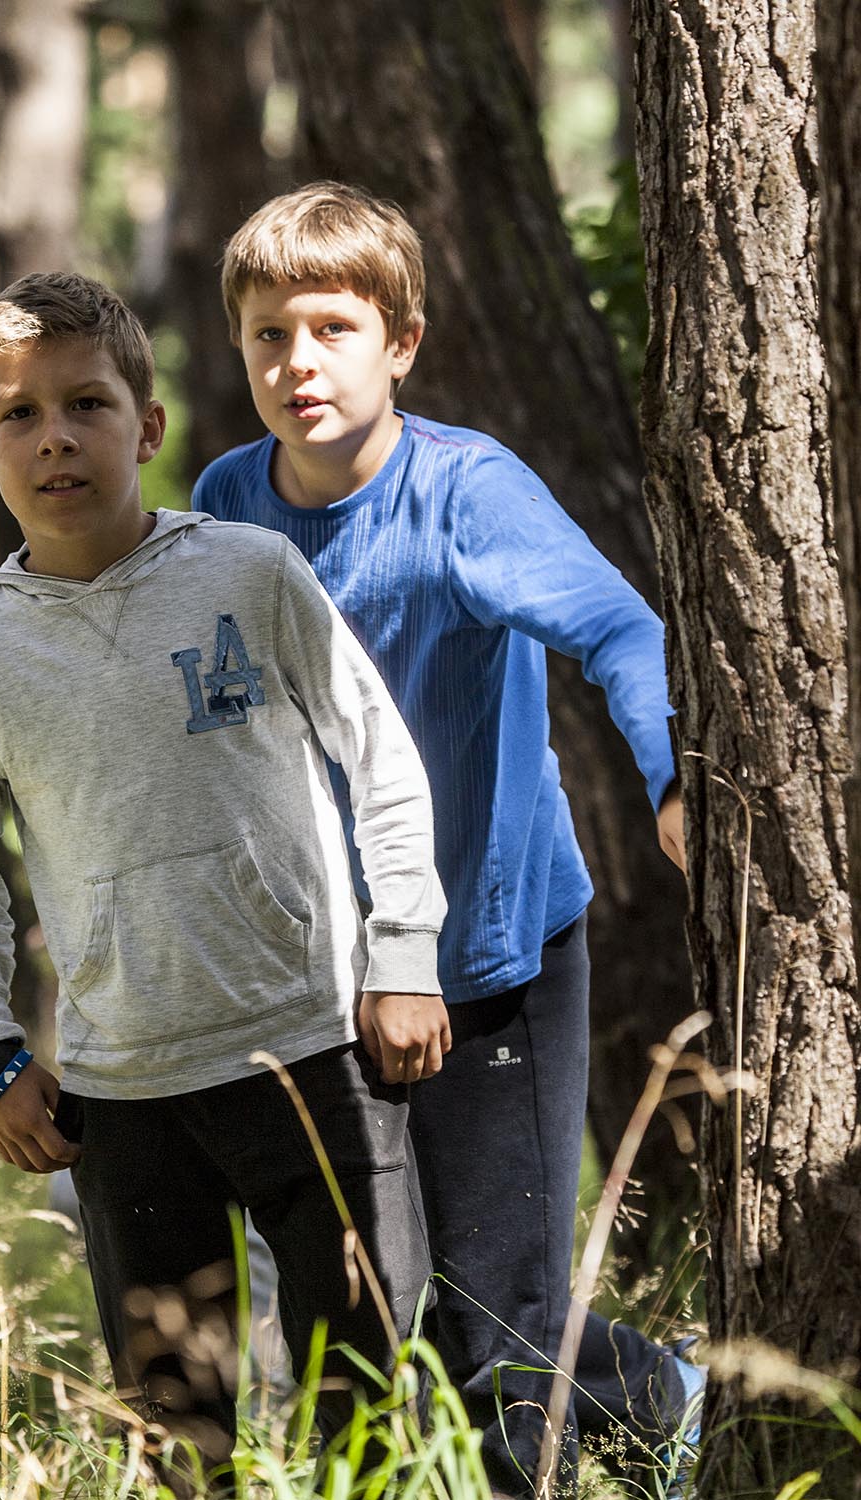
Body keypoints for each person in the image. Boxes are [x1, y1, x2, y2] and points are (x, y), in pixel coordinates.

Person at [190, 181, 704, 1497]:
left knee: (495, 1321)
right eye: (267, 335)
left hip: (490, 951)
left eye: (332, 328)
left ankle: (672, 1408)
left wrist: (670, 779)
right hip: (327, 970)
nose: (298, 362)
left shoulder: (466, 493)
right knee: (377, 1309)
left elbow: (622, 631)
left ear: (402, 343)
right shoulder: (227, 497)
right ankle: (645, 1406)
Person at [0, 270, 451, 1468]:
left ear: (146, 425)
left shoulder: (249, 572)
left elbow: (382, 762)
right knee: (178, 1437)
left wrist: (405, 952)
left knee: (366, 1415)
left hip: (315, 1051)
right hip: (127, 1091)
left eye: (87, 404)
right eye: (20, 415)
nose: (56, 438)